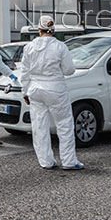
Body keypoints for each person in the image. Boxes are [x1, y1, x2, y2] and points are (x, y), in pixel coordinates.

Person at [19, 15, 83, 170]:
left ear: (39, 30)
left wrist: (25, 92)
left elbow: (25, 72)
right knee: (64, 125)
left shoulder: (29, 47)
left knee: (39, 126)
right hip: (55, 88)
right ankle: (68, 161)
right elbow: (69, 70)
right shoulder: (60, 47)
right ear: (53, 31)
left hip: (35, 89)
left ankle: (46, 161)